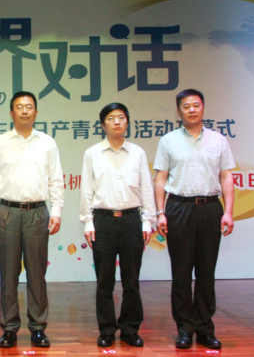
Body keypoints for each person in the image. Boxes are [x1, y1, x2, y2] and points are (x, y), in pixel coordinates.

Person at [154, 89, 235, 350]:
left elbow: (226, 177)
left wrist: (228, 211)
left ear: (203, 108)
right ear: (179, 111)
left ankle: (205, 329)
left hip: (210, 208)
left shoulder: (218, 140)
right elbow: (160, 179)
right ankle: (184, 329)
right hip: (179, 208)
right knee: (181, 273)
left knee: (206, 272)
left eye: (196, 105)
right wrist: (160, 212)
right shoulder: (168, 141)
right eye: (186, 106)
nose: (191, 109)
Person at [0, 91, 65, 348]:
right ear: (11, 113)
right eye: (19, 107)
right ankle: (9, 329)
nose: (25, 111)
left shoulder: (47, 142)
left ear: (36, 112)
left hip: (37, 212)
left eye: (29, 107)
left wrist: (57, 210)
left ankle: (38, 328)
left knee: (37, 273)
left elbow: (56, 179)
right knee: (8, 273)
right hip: (7, 211)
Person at [79, 103, 156, 348]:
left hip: (132, 220)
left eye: (121, 118)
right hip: (102, 221)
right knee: (104, 281)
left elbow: (146, 188)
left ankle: (130, 329)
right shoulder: (92, 153)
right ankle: (107, 330)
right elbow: (86, 190)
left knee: (131, 280)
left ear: (127, 122)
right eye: (111, 118)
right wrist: (88, 222)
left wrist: (148, 221)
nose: (116, 122)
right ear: (103, 125)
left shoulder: (138, 153)